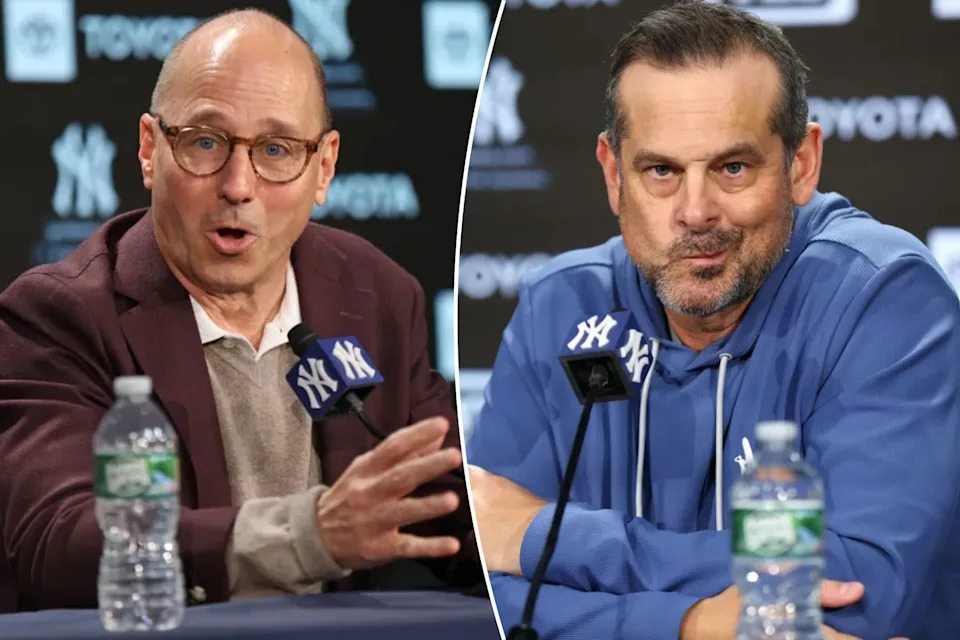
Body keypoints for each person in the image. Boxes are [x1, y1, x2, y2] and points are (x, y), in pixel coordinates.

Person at [465, 2, 960, 639]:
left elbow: (862, 589)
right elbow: (485, 593)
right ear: (615, 176)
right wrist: (693, 625)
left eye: (733, 167)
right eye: (661, 171)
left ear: (801, 164)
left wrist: (550, 542)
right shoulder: (560, 307)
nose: (696, 212)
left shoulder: (883, 297)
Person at [0, 9, 478, 611]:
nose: (238, 185)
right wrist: (311, 534)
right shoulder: (59, 315)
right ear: (151, 150)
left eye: (276, 149)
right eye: (206, 142)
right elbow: (58, 541)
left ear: (323, 167)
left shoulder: (375, 293)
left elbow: (448, 502)